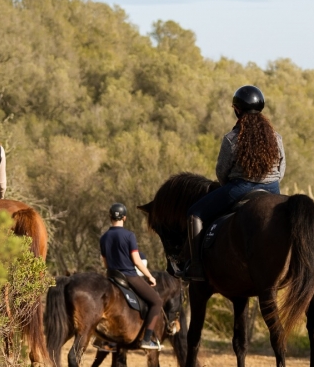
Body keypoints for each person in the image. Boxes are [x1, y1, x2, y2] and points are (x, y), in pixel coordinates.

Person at [179, 85, 285, 281]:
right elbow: (282, 169)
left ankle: (196, 267)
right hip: (273, 189)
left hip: (240, 188)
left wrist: (228, 187)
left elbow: (221, 172)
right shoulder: (275, 137)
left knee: (194, 214)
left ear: (237, 110)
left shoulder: (231, 138)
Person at [100, 203, 163, 350]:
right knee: (157, 301)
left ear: (110, 217)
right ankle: (147, 339)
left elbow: (105, 263)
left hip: (111, 276)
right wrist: (149, 277)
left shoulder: (104, 237)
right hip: (129, 276)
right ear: (125, 218)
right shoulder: (129, 235)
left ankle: (103, 340)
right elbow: (137, 261)